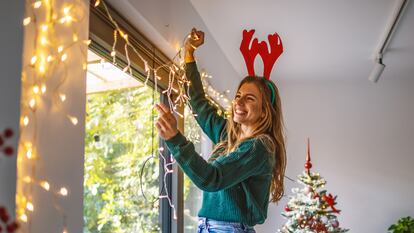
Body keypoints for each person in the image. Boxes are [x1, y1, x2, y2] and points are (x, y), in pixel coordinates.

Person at [155, 28, 286, 233]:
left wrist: (175, 138)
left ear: (264, 111)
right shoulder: (228, 134)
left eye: (250, 98)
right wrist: (189, 54)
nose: (238, 102)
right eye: (239, 95)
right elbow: (199, 104)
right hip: (210, 227)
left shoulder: (260, 147)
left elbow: (211, 178)